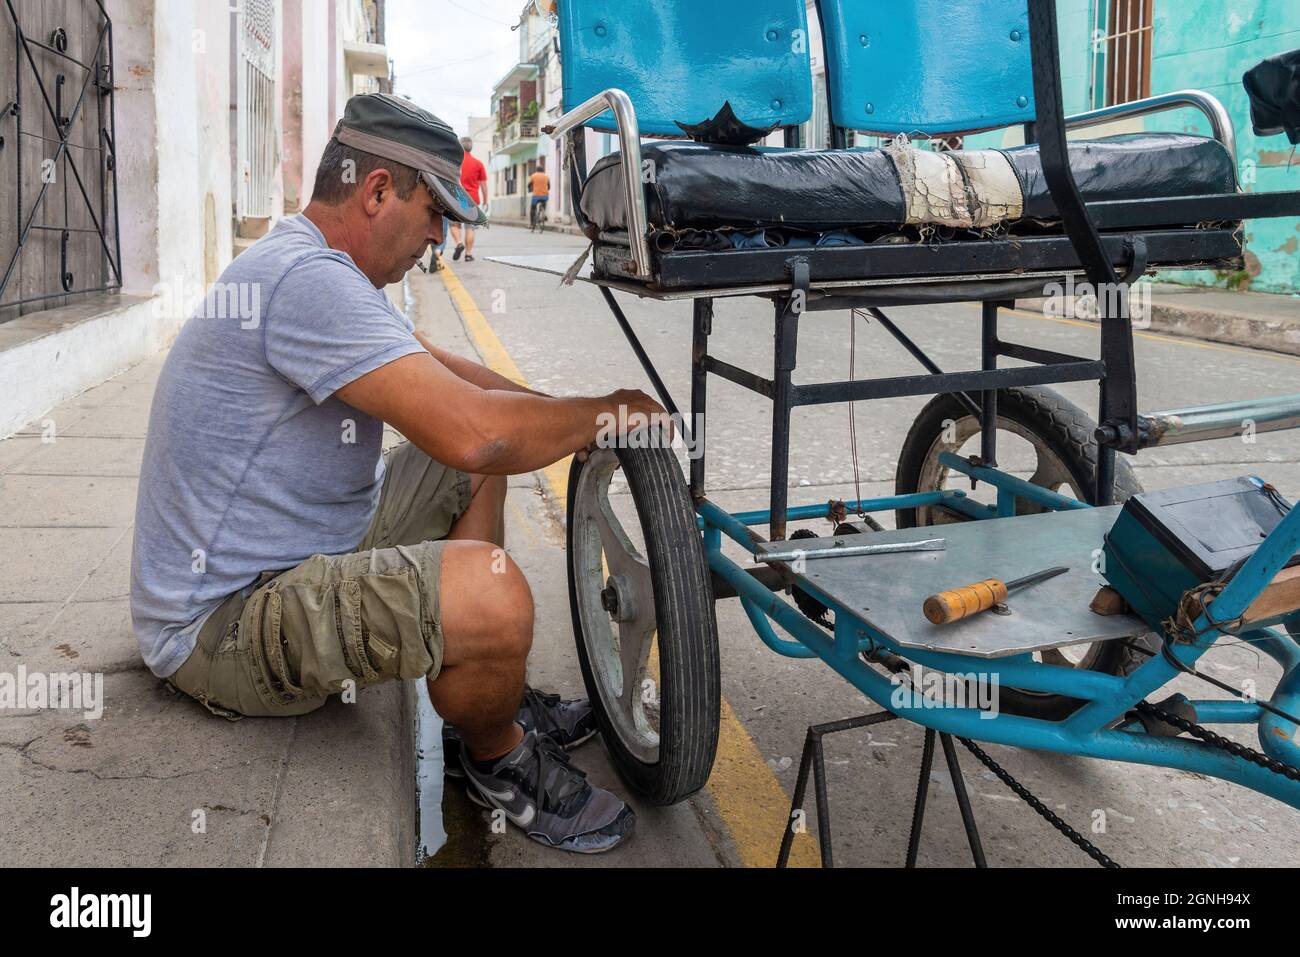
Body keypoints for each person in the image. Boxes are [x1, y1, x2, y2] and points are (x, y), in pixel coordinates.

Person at [130, 94, 664, 853]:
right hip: (219, 624)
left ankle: (482, 699)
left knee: (467, 472)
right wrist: (604, 413)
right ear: (378, 191)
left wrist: (573, 415)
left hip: (300, 550)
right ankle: (496, 759)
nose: (439, 238)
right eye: (434, 212)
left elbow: (462, 390)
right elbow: (477, 433)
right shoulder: (307, 281)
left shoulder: (314, 264)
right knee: (495, 590)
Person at [450, 136, 488, 262]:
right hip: (472, 199)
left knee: (454, 224)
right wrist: (486, 200)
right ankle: (468, 254)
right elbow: (483, 184)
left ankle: (459, 243)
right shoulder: (478, 164)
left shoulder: (454, 161)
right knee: (470, 227)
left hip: (457, 197)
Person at [528, 159, 550, 232]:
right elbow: (549, 186)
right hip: (545, 196)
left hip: (536, 196)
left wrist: (530, 189)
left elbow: (529, 185)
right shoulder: (546, 176)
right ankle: (544, 214)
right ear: (543, 170)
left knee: (533, 208)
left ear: (536, 170)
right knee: (544, 204)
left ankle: (531, 223)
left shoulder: (533, 176)